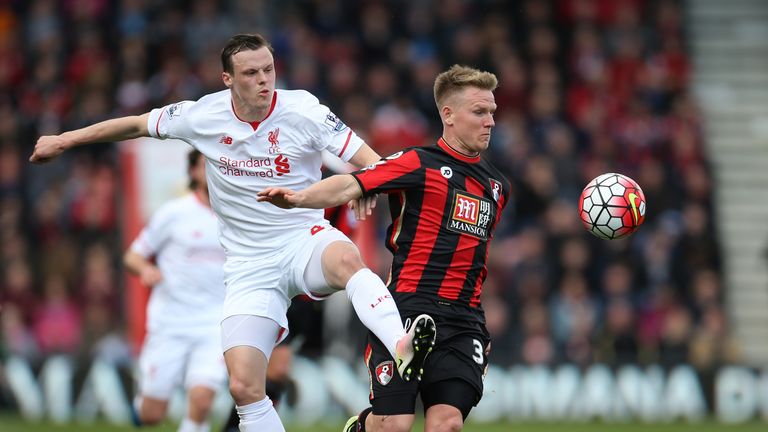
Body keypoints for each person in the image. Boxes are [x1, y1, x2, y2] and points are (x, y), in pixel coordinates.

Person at [29, 33, 436, 432]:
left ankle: (401, 344)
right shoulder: (202, 115)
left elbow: (374, 160)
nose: (264, 80)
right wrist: (65, 140)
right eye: (251, 73)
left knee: (347, 259)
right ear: (228, 79)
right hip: (248, 265)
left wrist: (369, 182)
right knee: (243, 386)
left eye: (269, 69)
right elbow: (135, 124)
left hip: (301, 238)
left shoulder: (305, 110)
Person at [258, 64, 510, 432]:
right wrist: (299, 198)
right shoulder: (417, 163)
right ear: (449, 115)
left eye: (492, 112)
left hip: (463, 321)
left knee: (448, 424)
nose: (489, 121)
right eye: (479, 111)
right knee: (394, 424)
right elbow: (348, 184)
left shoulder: (497, 186)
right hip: (405, 310)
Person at [125, 149, 227, 432]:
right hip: (171, 320)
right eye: (207, 164)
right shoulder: (174, 213)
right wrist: (146, 270)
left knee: (202, 400)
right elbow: (133, 256)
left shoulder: (236, 215)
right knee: (152, 414)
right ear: (193, 172)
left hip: (214, 322)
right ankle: (142, 406)